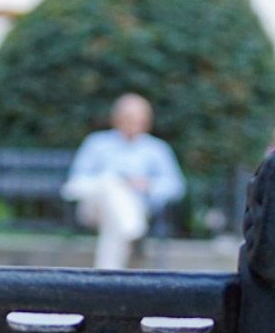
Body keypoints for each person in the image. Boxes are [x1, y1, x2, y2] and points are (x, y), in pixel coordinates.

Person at [63, 93, 186, 270]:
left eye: (138, 117)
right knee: (110, 184)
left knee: (115, 221)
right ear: (116, 118)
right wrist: (114, 182)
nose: (133, 122)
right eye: (128, 117)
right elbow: (76, 182)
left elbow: (176, 186)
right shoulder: (97, 143)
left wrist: (148, 185)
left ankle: (107, 276)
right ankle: (132, 228)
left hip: (137, 207)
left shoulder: (157, 149)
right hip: (93, 208)